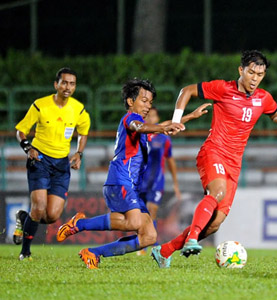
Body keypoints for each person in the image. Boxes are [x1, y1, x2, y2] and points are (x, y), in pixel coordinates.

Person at [151, 50, 277, 268]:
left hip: (234, 164)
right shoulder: (223, 89)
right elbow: (186, 91)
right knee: (218, 192)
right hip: (213, 151)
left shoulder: (264, 98)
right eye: (251, 72)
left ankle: (164, 250)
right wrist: (176, 120)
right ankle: (193, 238)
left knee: (214, 224)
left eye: (260, 75)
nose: (255, 78)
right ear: (241, 70)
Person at [56, 78, 209, 269]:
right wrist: (162, 127)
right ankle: (80, 224)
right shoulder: (130, 119)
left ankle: (93, 253)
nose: (147, 106)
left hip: (130, 185)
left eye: (150, 102)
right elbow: (141, 126)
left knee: (148, 236)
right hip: (120, 179)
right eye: (144, 101)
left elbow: (159, 126)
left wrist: (189, 117)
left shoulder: (144, 127)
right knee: (134, 221)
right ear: (131, 101)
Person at [13, 67, 91, 261]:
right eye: (64, 82)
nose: (68, 87)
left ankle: (24, 218)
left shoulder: (78, 109)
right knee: (38, 207)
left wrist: (79, 153)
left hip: (61, 165)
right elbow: (21, 131)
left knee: (51, 216)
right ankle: (25, 252)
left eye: (72, 83)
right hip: (39, 160)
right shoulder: (40, 105)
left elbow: (83, 131)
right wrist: (28, 148)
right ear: (56, 84)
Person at [136, 106, 182, 255]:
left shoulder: (164, 138)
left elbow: (170, 161)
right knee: (141, 214)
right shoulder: (140, 135)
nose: (150, 118)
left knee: (152, 210)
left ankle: (147, 245)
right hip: (140, 180)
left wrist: (175, 184)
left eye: (153, 116)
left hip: (156, 181)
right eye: (148, 116)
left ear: (157, 119)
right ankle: (147, 241)